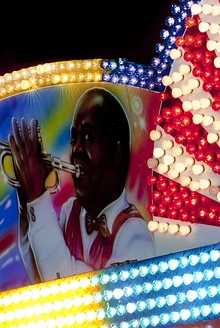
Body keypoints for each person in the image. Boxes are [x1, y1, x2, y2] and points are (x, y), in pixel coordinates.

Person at [9, 87, 155, 281]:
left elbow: (68, 282)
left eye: (88, 137)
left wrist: (37, 198)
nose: (76, 149)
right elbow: (38, 274)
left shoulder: (135, 233)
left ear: (117, 154)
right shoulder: (71, 211)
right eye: (73, 138)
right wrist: (26, 198)